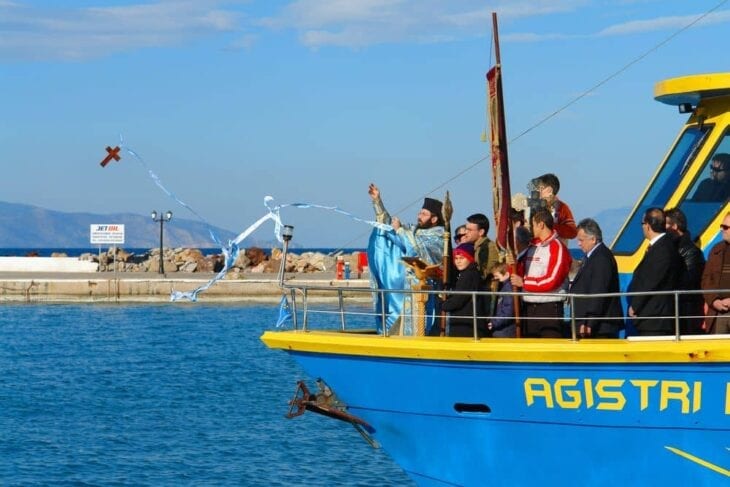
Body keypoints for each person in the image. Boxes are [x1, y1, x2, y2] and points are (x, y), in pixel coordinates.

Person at [367, 183, 445, 335]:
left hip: (427, 288)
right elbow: (390, 228)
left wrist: (400, 230)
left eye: (423, 214)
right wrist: (378, 202)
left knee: (423, 325)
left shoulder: (439, 235)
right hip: (408, 287)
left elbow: (418, 249)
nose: (419, 217)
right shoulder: (414, 231)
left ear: (434, 218)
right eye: (419, 213)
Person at [510, 209, 572, 338]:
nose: (531, 228)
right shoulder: (532, 248)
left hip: (548, 308)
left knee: (550, 349)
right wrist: (513, 264)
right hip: (529, 307)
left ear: (541, 225)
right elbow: (519, 273)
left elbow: (552, 280)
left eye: (533, 224)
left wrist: (524, 283)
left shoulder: (557, 248)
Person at [627, 208, 681, 336]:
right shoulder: (663, 246)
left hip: (655, 317)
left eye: (642, 224)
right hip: (653, 315)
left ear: (648, 225)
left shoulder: (662, 249)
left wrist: (635, 305)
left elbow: (651, 281)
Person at [569, 218, 624, 338]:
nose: (579, 243)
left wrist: (590, 321)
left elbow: (598, 291)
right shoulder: (594, 256)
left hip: (599, 326)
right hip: (595, 324)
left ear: (593, 239)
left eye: (581, 240)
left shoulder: (601, 258)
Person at [665, 207, 705, 334]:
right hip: (673, 309)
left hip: (686, 312)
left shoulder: (691, 251)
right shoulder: (669, 248)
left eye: (665, 224)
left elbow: (689, 280)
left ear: (674, 226)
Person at [441, 243, 484, 337]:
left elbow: (458, 300)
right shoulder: (472, 272)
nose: (458, 262)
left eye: (462, 258)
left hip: (466, 326)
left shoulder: (467, 275)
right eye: (456, 259)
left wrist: (443, 304)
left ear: (469, 258)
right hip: (468, 324)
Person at [701, 212, 730, 334]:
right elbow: (706, 280)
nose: (722, 230)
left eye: (726, 227)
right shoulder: (716, 250)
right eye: (721, 226)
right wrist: (714, 301)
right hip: (718, 312)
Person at [531, 173, 577, 240]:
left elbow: (572, 232)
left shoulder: (562, 208)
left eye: (540, 189)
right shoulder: (533, 207)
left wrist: (548, 226)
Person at [462, 213, 500, 282]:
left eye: (469, 230)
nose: (466, 232)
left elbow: (485, 273)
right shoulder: (476, 246)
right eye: (466, 229)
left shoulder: (489, 247)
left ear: (481, 232)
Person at [487, 263, 516, 337]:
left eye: (497, 276)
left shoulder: (507, 289)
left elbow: (508, 311)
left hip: (504, 330)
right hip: (501, 327)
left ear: (506, 275)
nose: (495, 278)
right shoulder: (503, 287)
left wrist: (494, 322)